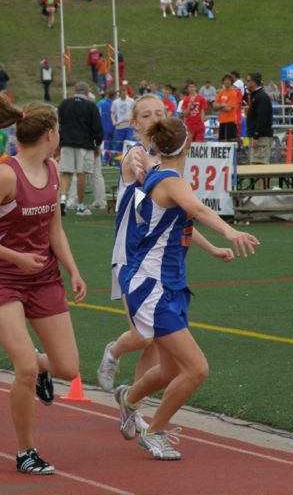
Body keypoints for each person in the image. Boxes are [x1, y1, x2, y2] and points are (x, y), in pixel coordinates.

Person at [114, 117, 259, 460]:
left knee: (168, 371)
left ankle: (128, 399)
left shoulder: (163, 178)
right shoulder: (168, 180)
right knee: (196, 369)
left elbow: (180, 224)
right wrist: (231, 233)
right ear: (190, 145)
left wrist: (211, 248)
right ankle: (154, 431)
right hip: (153, 286)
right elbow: (194, 209)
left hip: (171, 284)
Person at [0, 92, 88, 475]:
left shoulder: (51, 171)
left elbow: (54, 229)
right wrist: (15, 257)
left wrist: (73, 269)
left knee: (68, 367)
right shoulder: (6, 174)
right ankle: (26, 451)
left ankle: (43, 370)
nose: (60, 136)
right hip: (0, 278)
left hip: (43, 276)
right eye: (60, 130)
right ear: (50, 134)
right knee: (24, 368)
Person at [97, 95, 164, 402]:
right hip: (130, 259)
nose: (155, 119)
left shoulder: (166, 159)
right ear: (136, 124)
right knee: (143, 335)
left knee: (154, 341)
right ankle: (113, 350)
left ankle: (134, 404)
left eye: (160, 113)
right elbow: (141, 207)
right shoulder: (135, 156)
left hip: (160, 260)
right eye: (147, 115)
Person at [57, 81, 104, 216]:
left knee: (66, 172)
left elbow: (57, 123)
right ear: (87, 92)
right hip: (84, 145)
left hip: (66, 143)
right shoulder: (91, 106)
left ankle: (63, 199)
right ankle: (80, 206)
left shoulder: (64, 104)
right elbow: (97, 128)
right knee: (81, 174)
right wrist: (97, 144)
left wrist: (59, 142)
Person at [245, 73, 273, 164]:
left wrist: (256, 135)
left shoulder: (261, 97)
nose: (246, 83)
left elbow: (262, 118)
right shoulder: (256, 96)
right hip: (257, 136)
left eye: (248, 81)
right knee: (255, 164)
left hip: (261, 137)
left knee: (260, 165)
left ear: (254, 82)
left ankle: (262, 179)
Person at [214, 74, 241, 144]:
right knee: (221, 142)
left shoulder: (233, 93)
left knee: (230, 143)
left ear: (231, 82)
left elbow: (228, 108)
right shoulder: (221, 92)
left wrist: (219, 106)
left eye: (228, 80)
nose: (226, 82)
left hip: (230, 121)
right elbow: (214, 106)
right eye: (225, 80)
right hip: (222, 121)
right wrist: (222, 105)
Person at [111, 87, 136, 161]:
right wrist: (113, 121)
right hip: (119, 127)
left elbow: (135, 112)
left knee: (129, 143)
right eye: (122, 91)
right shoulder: (115, 102)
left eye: (125, 91)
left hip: (129, 126)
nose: (124, 93)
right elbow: (112, 113)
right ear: (120, 93)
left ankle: (129, 160)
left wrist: (132, 120)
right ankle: (116, 161)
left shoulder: (131, 101)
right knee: (117, 145)